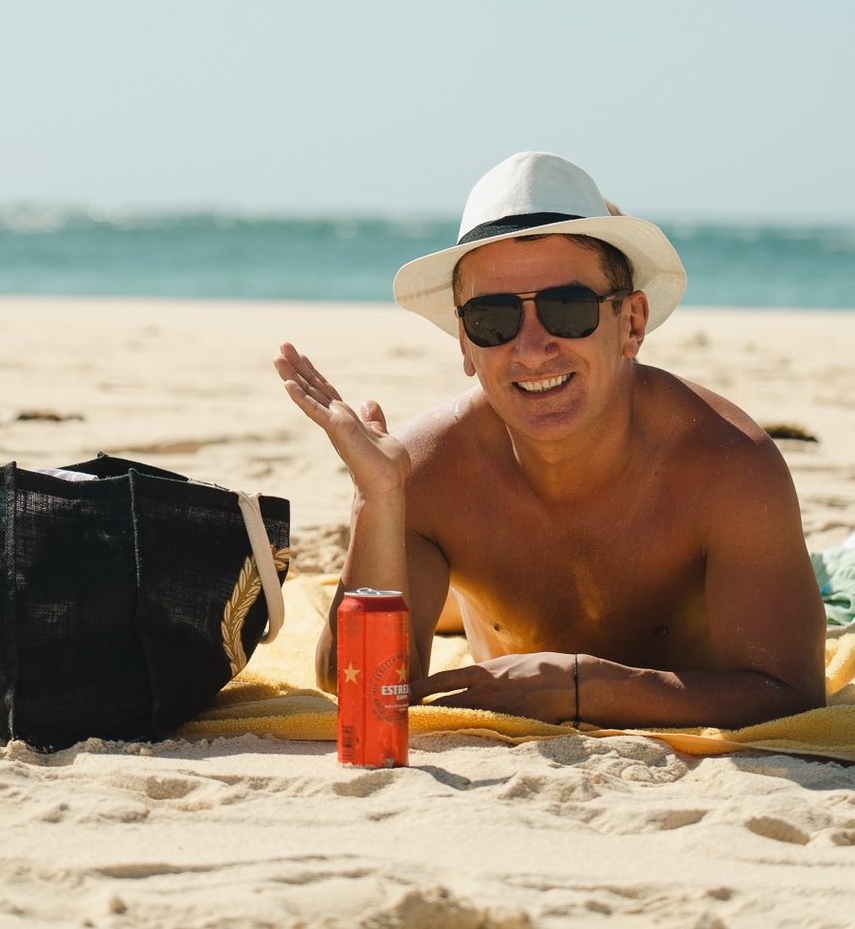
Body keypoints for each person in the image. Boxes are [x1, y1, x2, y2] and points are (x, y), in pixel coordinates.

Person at [274, 151, 826, 730]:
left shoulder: (728, 466)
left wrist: (584, 689)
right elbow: (360, 690)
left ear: (632, 324)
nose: (532, 348)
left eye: (569, 309)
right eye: (493, 319)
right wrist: (376, 501)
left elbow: (791, 691)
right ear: (465, 343)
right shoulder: (426, 474)